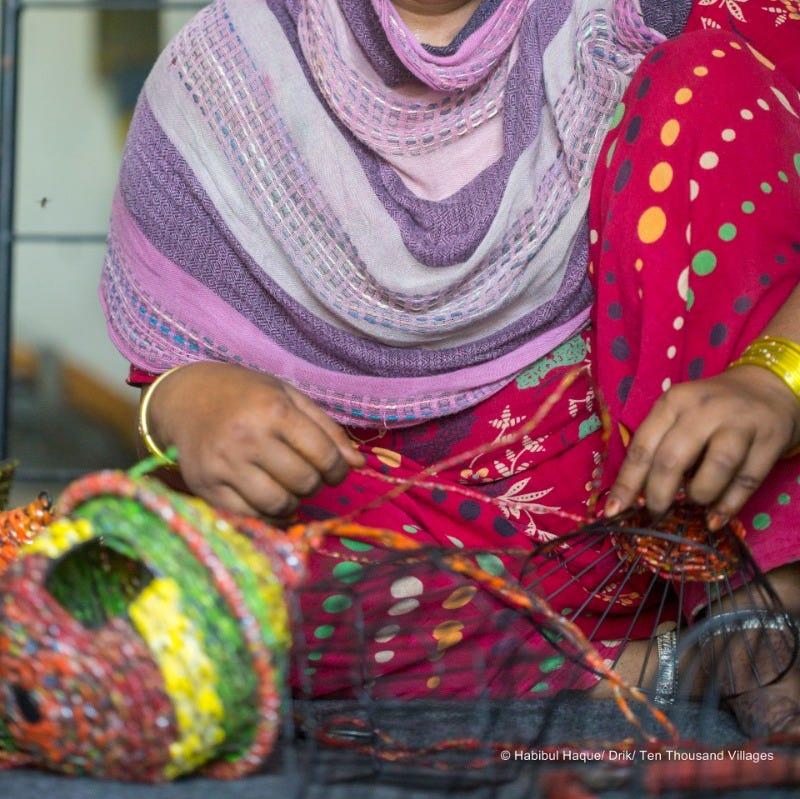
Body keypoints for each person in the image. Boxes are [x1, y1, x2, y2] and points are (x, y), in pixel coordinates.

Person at [101, 0, 800, 732]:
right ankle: (640, 667)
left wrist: (774, 380)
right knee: (208, 585)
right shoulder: (226, 67)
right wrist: (187, 401)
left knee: (711, 76)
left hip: (669, 510)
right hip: (405, 553)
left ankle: (756, 608)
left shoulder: (656, 14)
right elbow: (169, 387)